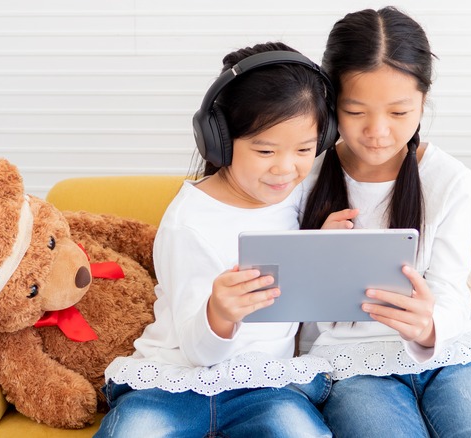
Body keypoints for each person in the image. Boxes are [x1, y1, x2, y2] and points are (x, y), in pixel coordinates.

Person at [94, 41, 338, 437]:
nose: (286, 167)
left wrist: (320, 245)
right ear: (220, 141)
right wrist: (219, 314)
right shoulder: (189, 222)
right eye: (265, 150)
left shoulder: (300, 196)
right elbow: (198, 352)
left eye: (304, 150)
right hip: (175, 383)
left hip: (263, 387)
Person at [299, 7, 471, 437]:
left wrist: (429, 324)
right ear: (330, 104)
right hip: (353, 362)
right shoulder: (300, 175)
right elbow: (286, 300)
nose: (378, 131)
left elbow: (451, 290)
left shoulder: (450, 179)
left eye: (399, 113)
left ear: (423, 101)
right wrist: (315, 254)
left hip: (454, 351)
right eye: (356, 111)